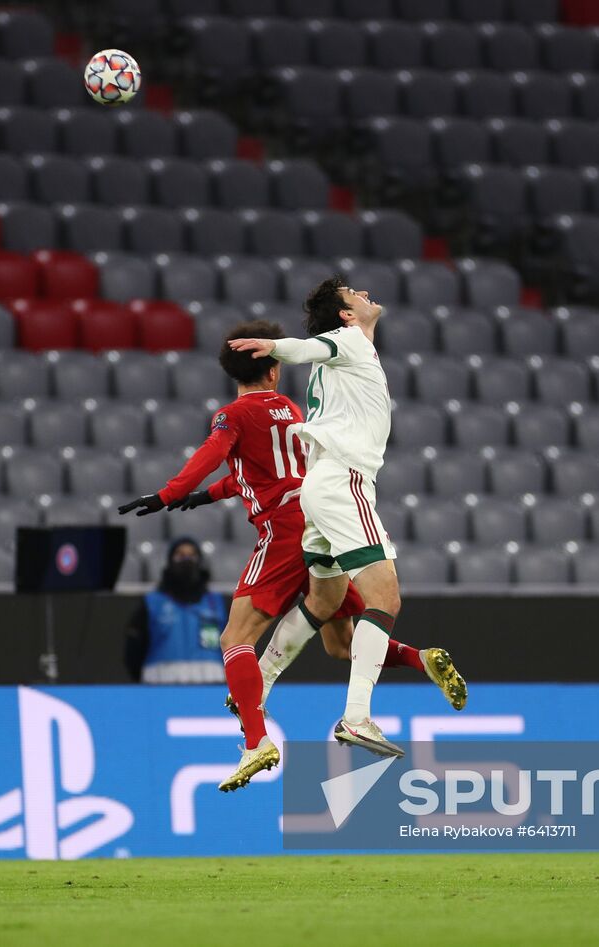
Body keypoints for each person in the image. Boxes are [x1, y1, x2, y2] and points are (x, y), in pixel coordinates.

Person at [121, 318, 465, 788]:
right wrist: (205, 497)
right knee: (340, 642)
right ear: (274, 370)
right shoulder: (290, 410)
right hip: (321, 519)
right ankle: (419, 658)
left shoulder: (233, 415)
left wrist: (169, 493)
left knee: (235, 638)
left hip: (282, 531)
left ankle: (256, 742)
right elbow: (263, 470)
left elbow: (213, 453)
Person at [224, 285, 429, 761]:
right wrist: (275, 348)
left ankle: (259, 687)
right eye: (353, 293)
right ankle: (357, 717)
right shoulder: (350, 340)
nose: (364, 293)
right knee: (385, 598)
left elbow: (316, 351)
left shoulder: (340, 363)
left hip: (318, 488)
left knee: (324, 599)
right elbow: (309, 346)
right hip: (343, 482)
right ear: (345, 314)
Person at [123, 538, 228, 684]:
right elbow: (133, 651)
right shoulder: (152, 603)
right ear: (170, 561)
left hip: (212, 687)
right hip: (161, 686)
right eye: (180, 555)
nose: (186, 560)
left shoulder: (217, 603)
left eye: (192, 555)